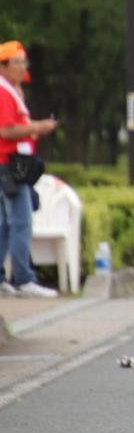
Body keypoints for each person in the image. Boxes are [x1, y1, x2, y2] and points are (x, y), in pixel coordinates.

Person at [0, 41, 57, 298]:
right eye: (18, 62)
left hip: (10, 165)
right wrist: (38, 127)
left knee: (3, 224)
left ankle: (3, 278)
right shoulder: (3, 92)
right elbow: (5, 130)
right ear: (4, 66)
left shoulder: (10, 90)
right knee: (21, 222)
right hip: (10, 166)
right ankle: (23, 278)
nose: (23, 68)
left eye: (25, 62)